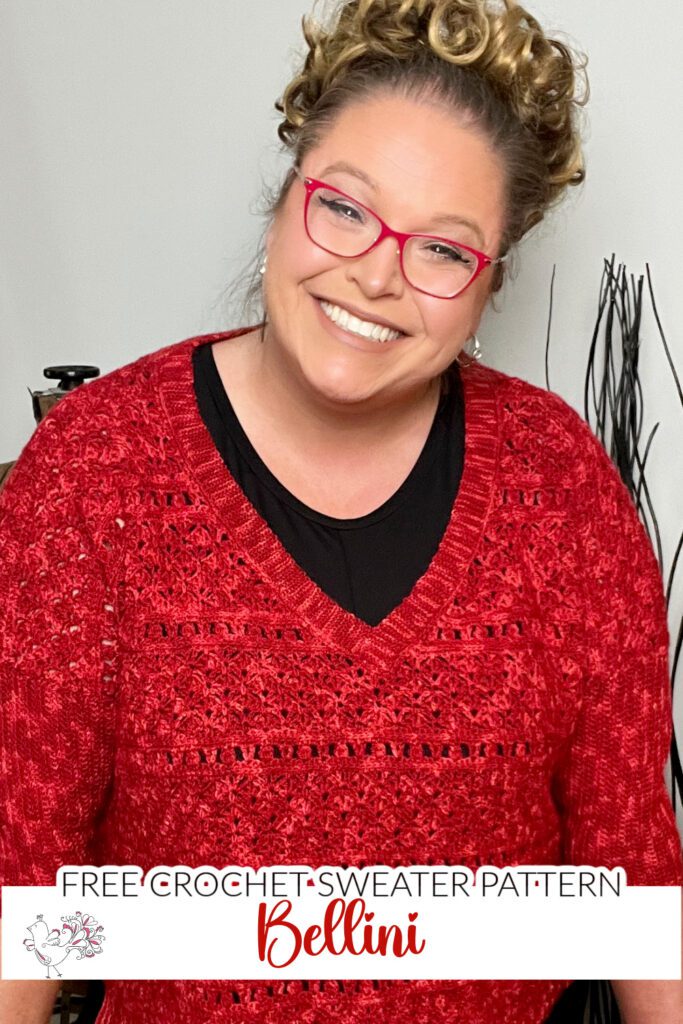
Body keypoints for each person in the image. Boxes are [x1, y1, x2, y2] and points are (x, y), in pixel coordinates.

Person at [1, 0, 682, 1021]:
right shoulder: (93, 472)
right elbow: (25, 878)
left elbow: (630, 869)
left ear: (489, 281)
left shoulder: (564, 491)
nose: (374, 272)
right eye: (345, 207)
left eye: (444, 250)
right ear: (285, 193)